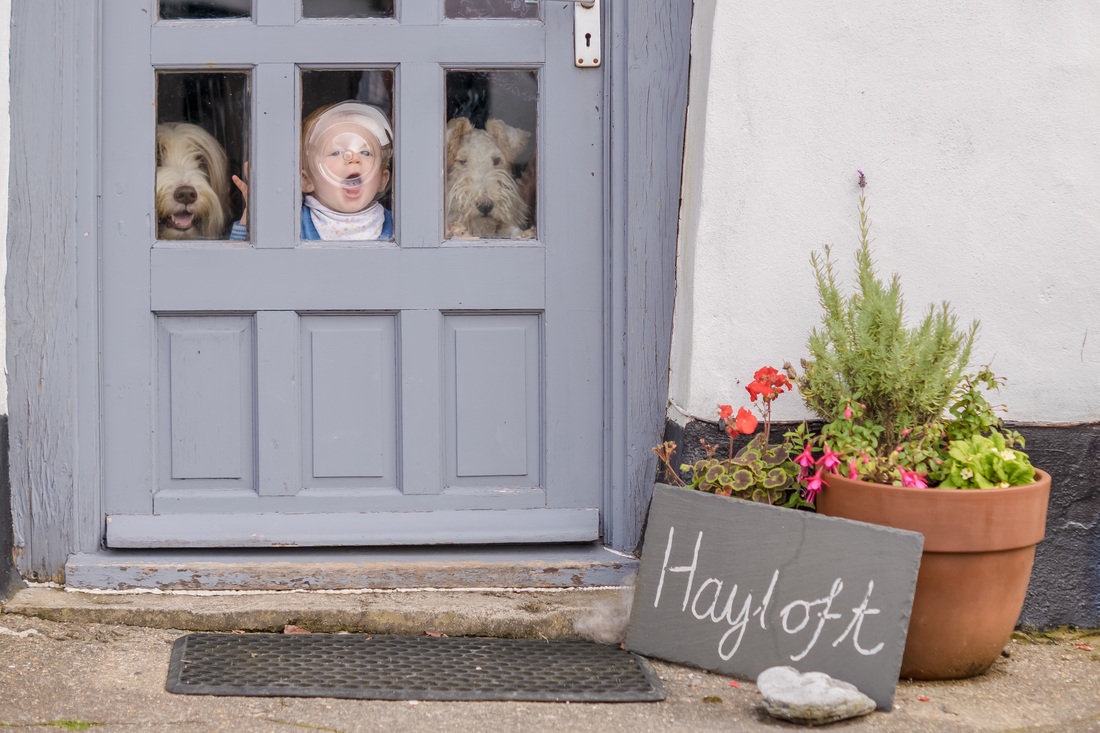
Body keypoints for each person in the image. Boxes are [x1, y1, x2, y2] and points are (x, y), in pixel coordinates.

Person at [231, 101, 393, 240]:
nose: (353, 157)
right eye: (336, 152)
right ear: (306, 181)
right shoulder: (293, 224)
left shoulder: (397, 227)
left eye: (365, 152)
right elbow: (240, 263)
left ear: (382, 180)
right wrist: (252, 213)